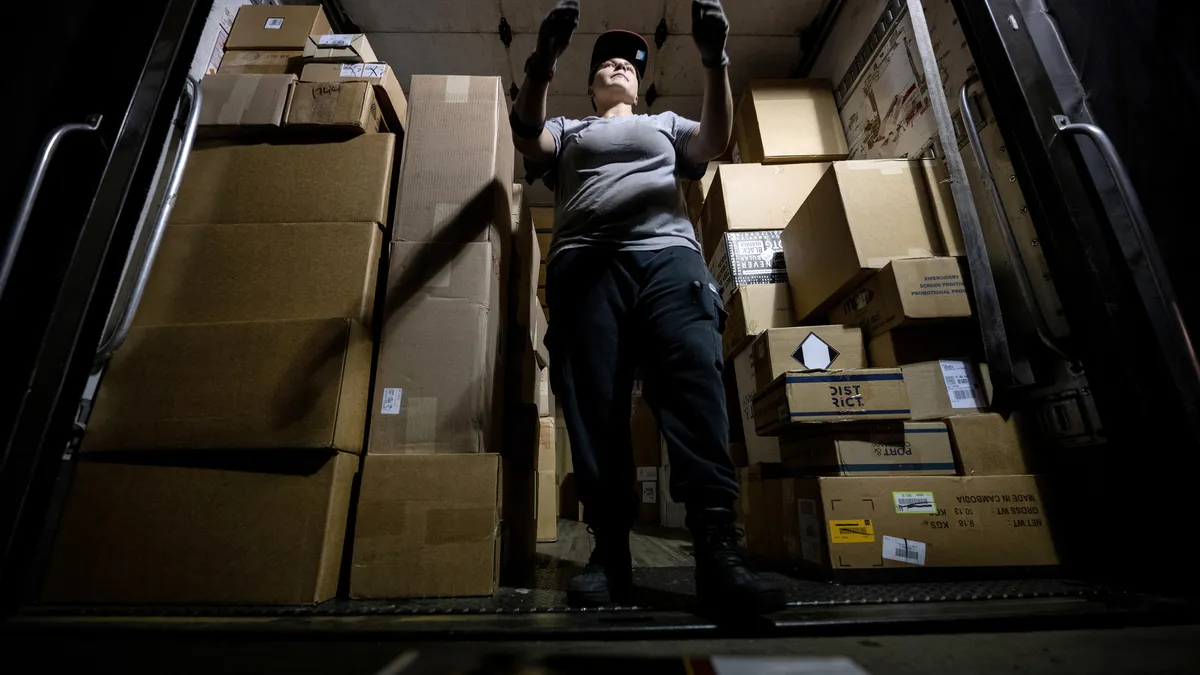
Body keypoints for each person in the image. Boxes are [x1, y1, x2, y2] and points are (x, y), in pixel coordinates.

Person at [510, 0, 785, 615]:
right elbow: (527, 135)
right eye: (605, 60)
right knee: (597, 406)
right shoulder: (573, 131)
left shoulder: (666, 123)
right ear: (588, 83)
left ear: (641, 81)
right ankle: (610, 554)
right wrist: (541, 64)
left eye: (630, 62)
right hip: (586, 265)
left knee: (693, 384)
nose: (619, 64)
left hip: (667, 261)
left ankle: (718, 550)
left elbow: (716, 139)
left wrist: (715, 62)